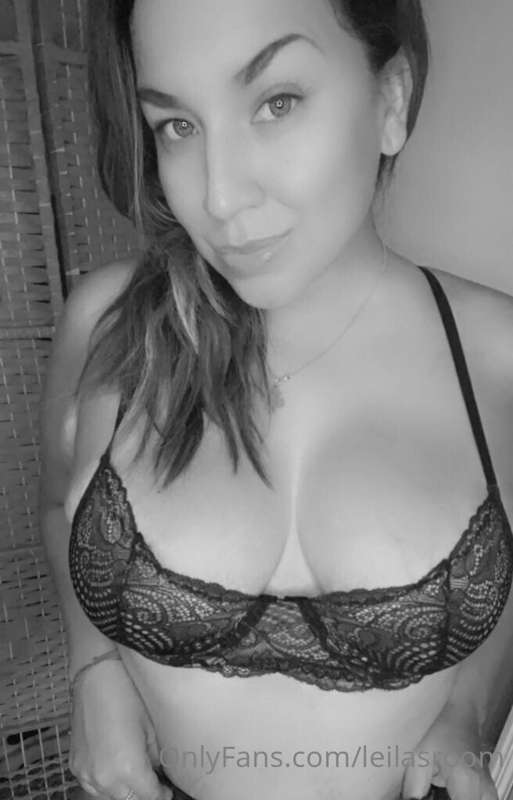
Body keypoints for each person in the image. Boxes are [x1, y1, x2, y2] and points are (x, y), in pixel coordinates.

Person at [39, 1, 513, 799]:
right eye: (176, 126)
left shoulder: (499, 357)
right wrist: (92, 668)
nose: (220, 198)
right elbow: (59, 505)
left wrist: (467, 708)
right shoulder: (110, 326)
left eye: (276, 102)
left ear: (391, 100)